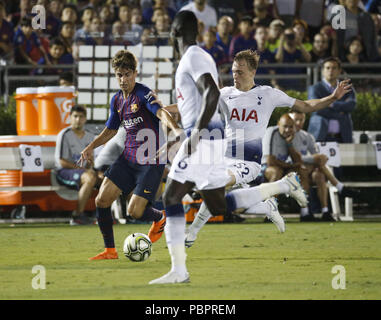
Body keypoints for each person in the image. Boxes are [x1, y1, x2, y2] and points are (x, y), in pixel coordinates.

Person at [148, 11, 351, 284]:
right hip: (223, 154)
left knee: (198, 192)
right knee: (215, 199)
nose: (235, 76)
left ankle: (188, 246)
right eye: (232, 72)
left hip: (249, 159)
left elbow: (306, 106)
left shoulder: (267, 94)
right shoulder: (226, 93)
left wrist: (332, 96)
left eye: (240, 72)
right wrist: (162, 110)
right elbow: (190, 105)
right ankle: (272, 197)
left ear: (252, 72)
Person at [79, 50, 182, 260]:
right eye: (119, 75)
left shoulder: (144, 94)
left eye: (127, 74)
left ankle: (159, 218)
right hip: (128, 158)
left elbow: (161, 112)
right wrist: (90, 146)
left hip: (151, 161)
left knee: (135, 212)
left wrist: (176, 129)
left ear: (135, 73)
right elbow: (110, 130)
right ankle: (110, 250)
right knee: (101, 200)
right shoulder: (117, 100)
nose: (123, 79)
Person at [289, 110, 360, 221]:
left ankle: (325, 212)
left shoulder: (307, 136)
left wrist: (319, 158)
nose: (298, 122)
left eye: (301, 120)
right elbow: (292, 159)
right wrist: (315, 159)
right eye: (296, 119)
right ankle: (339, 187)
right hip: (292, 170)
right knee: (307, 167)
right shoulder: (286, 135)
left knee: (320, 175)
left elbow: (315, 154)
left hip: (307, 168)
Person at [55, 105, 101, 225]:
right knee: (89, 177)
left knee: (106, 178)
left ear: (85, 119)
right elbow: (62, 162)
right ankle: (78, 216)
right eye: (75, 116)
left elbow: (91, 160)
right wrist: (83, 170)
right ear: (70, 117)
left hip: (84, 172)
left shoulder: (90, 136)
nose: (78, 119)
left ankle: (103, 215)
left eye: (81, 117)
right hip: (64, 172)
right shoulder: (64, 134)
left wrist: (94, 168)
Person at [307, 57, 356, 144]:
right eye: (328, 68)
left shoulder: (346, 88)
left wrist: (331, 104)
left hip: (342, 138)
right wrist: (341, 113)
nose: (331, 70)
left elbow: (351, 105)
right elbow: (317, 109)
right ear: (322, 71)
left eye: (334, 68)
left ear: (339, 70)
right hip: (320, 137)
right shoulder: (314, 88)